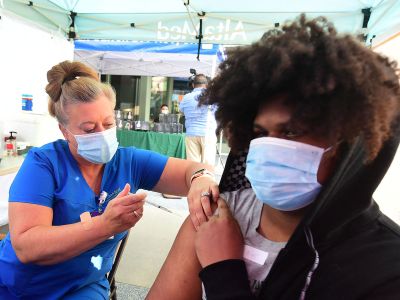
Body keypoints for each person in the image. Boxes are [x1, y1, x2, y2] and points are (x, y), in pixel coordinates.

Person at [147, 15, 400, 299]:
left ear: (347, 142)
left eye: (291, 131)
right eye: (259, 132)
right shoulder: (218, 214)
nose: (270, 146)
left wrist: (223, 271)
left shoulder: (383, 268)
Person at [0, 61, 220, 299]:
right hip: (19, 285)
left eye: (108, 124)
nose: (102, 134)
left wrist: (201, 178)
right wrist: (104, 225)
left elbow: (193, 170)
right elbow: (26, 246)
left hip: (82, 286)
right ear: (65, 131)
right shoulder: (44, 164)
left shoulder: (130, 162)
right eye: (88, 129)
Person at [179, 74, 217, 166]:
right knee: (208, 165)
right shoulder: (212, 97)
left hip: (191, 133)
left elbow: (182, 111)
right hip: (208, 133)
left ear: (193, 85)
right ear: (207, 85)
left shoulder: (186, 97)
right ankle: (206, 180)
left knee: (193, 165)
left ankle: (194, 180)